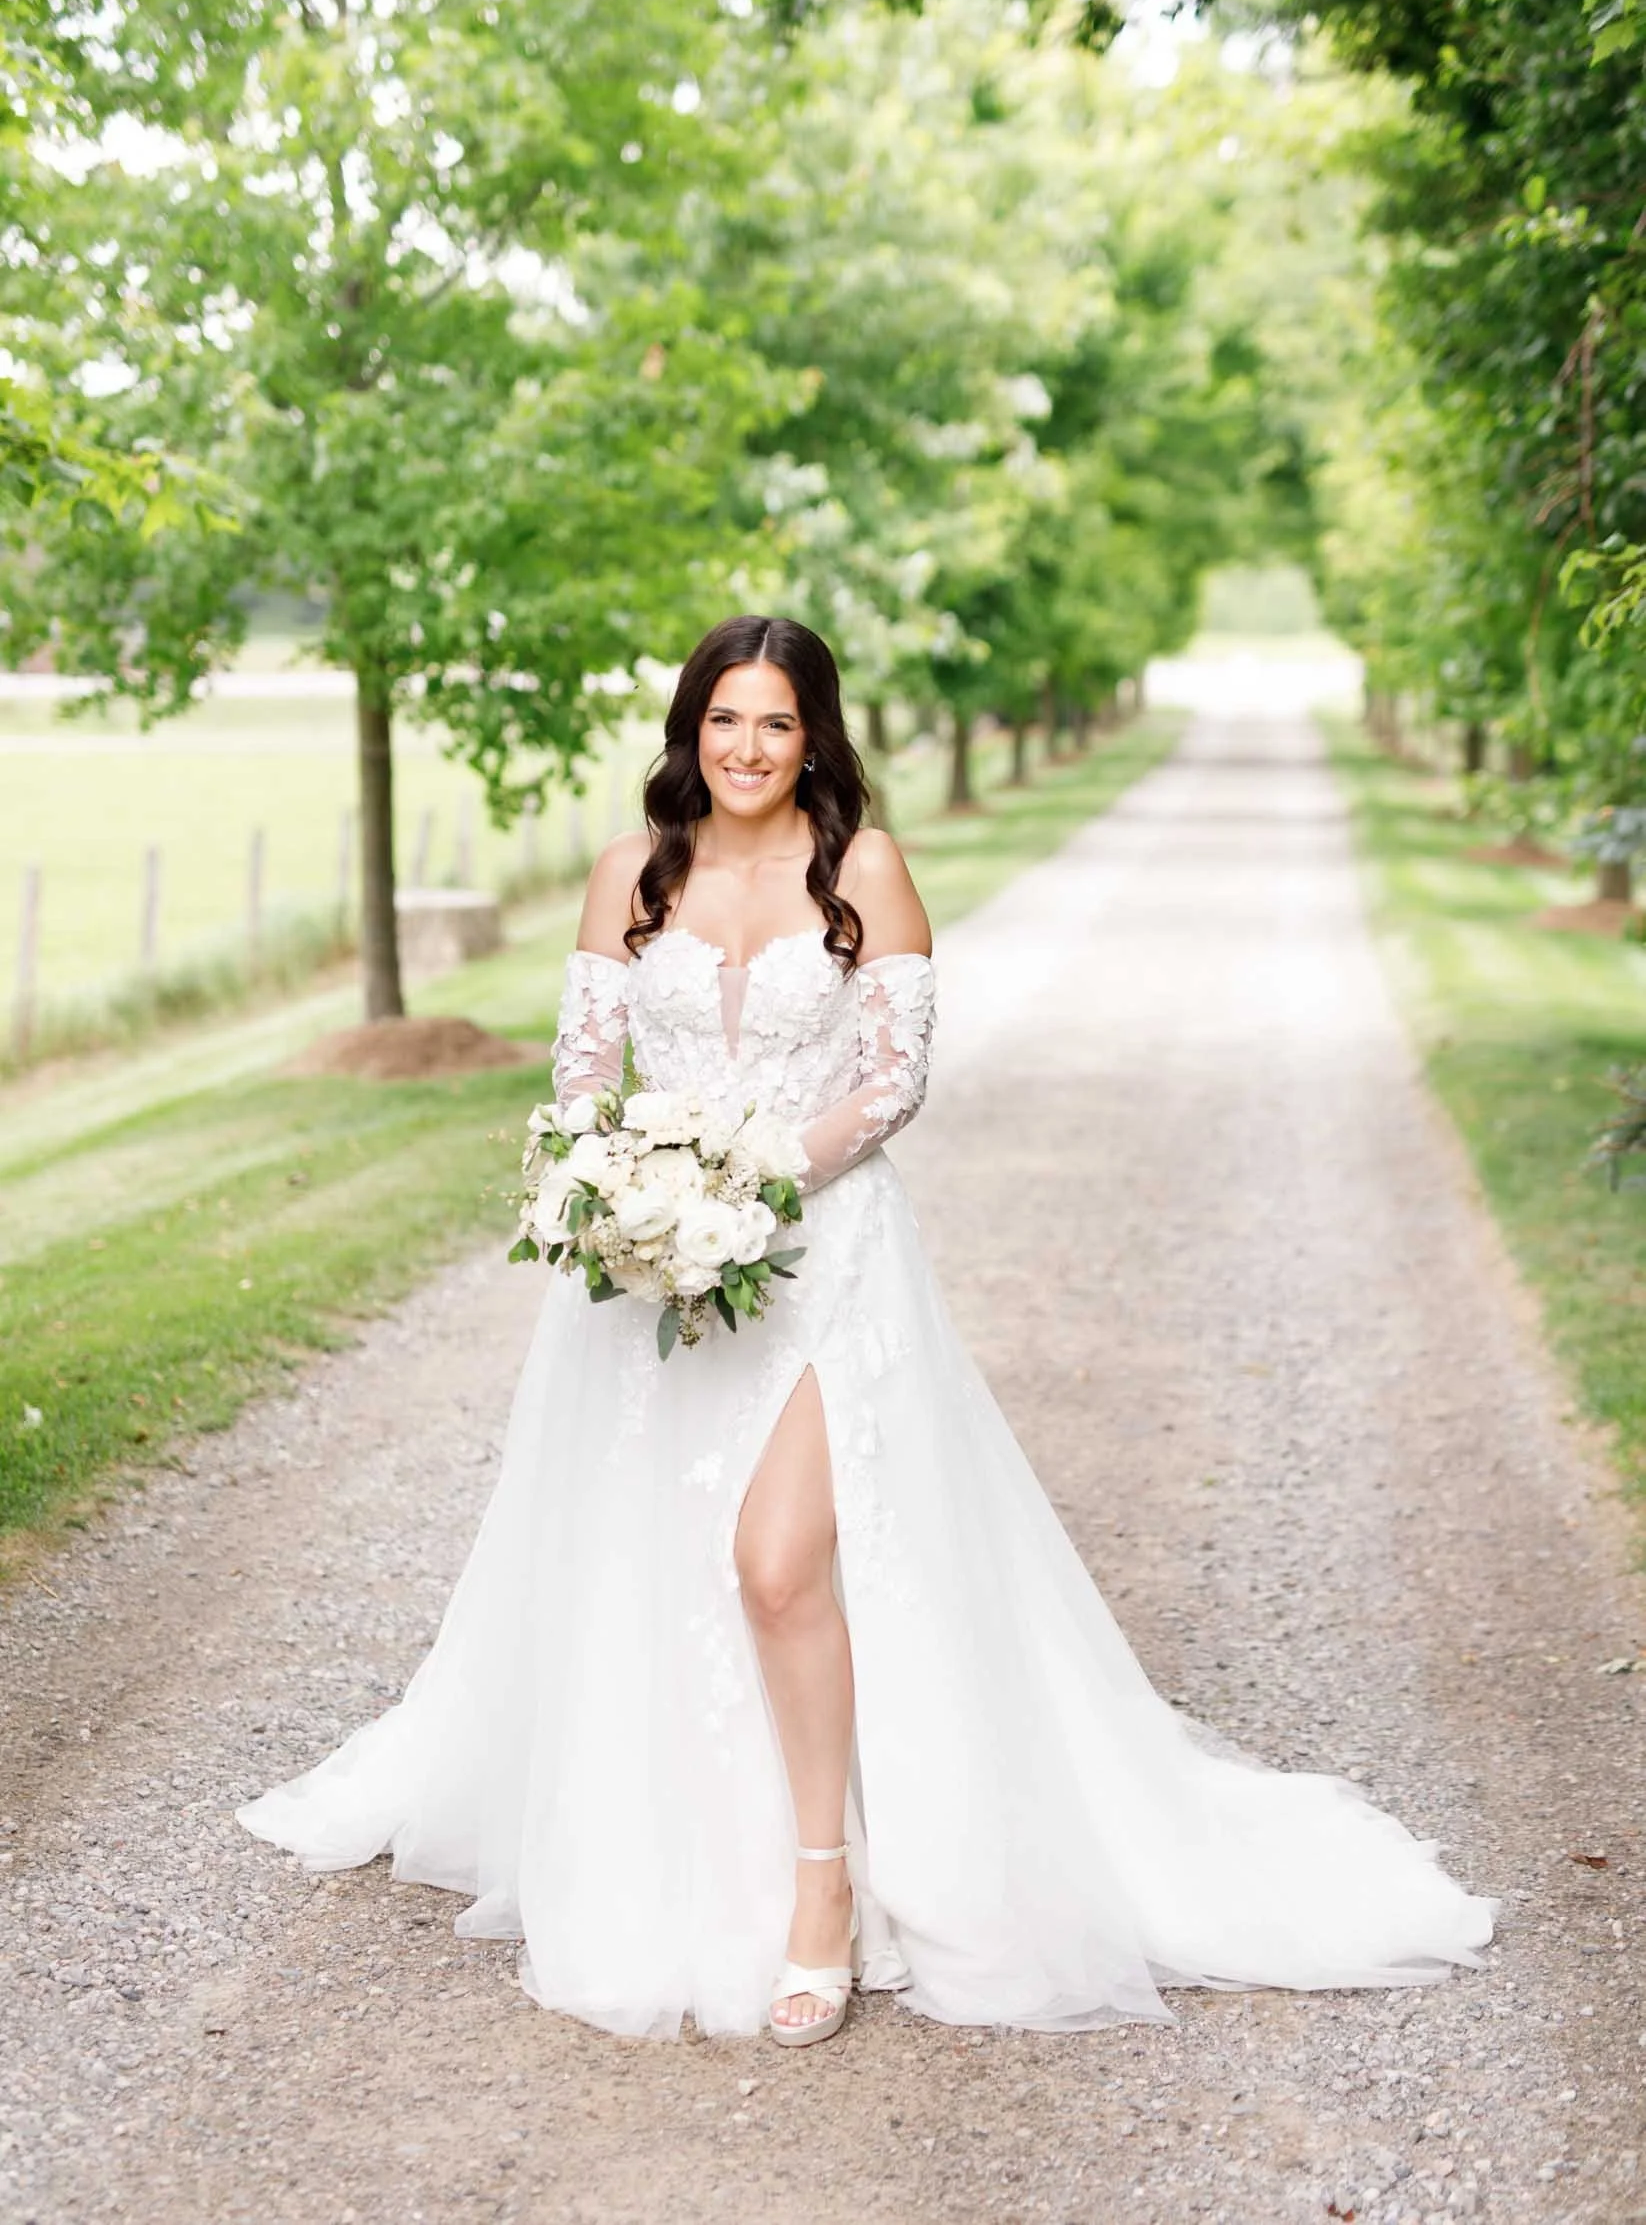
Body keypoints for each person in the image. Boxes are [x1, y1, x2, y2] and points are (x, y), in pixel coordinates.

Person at [239, 613, 1495, 2046]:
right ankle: (671, 1853)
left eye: (775, 723)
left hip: (824, 1262)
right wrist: (622, 1191)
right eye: (723, 720)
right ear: (687, 730)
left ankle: (822, 1889)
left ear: (815, 736)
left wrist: (747, 1187)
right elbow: (585, 1075)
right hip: (651, 1279)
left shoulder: (864, 871)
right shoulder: (626, 878)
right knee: (651, 1563)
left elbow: (893, 1083)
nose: (746, 748)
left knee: (776, 1565)